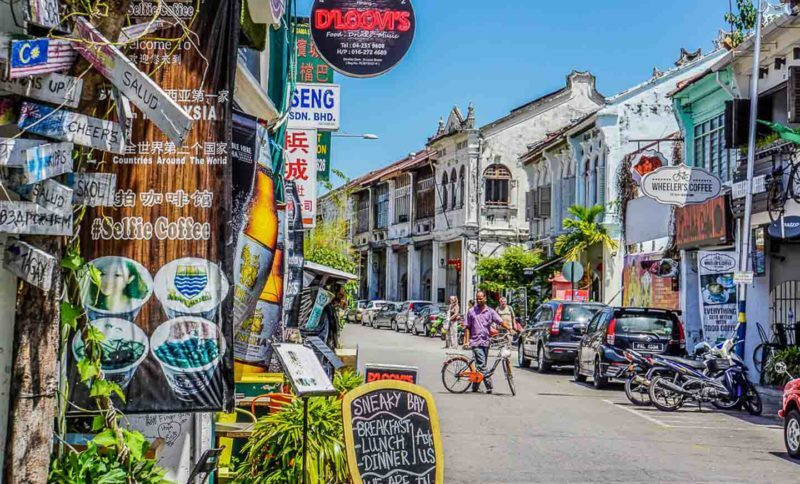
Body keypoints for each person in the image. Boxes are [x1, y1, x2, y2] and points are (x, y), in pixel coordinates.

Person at [463, 291, 502, 394]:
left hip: (486, 342)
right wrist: (466, 341)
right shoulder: (471, 312)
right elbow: (467, 327)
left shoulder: (490, 312)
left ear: (485, 299)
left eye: (481, 298)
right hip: (475, 342)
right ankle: (489, 386)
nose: (479, 300)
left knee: (480, 365)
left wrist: (510, 328)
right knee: (482, 365)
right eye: (477, 299)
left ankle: (475, 387)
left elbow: (500, 321)